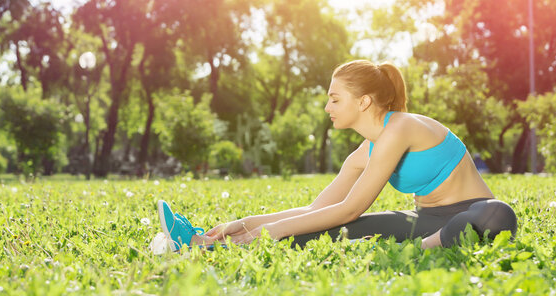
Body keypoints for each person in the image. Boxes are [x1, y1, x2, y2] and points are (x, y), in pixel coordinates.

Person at [158, 60, 517, 251]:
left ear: (362, 102)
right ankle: (202, 243)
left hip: (466, 215)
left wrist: (268, 232)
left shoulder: (400, 128)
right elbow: (319, 211)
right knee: (326, 231)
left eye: (334, 98)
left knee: (497, 215)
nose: (327, 106)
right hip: (426, 217)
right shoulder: (365, 150)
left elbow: (350, 208)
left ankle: (423, 249)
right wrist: (248, 222)